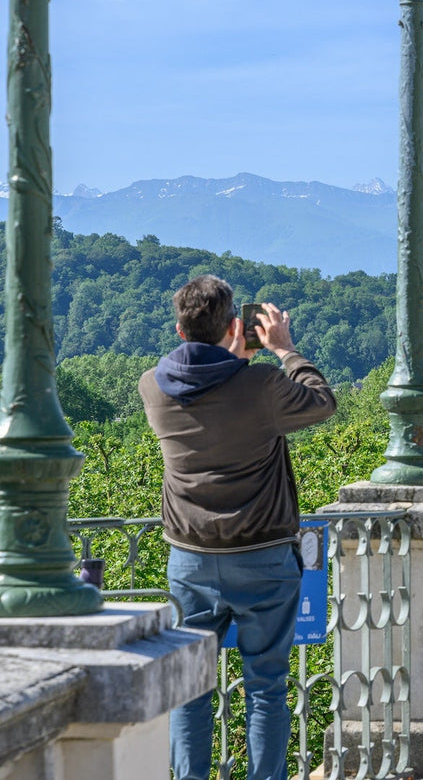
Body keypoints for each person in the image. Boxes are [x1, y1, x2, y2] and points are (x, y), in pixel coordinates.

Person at [140, 274, 336, 780]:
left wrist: (234, 361)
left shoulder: (152, 386)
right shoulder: (264, 385)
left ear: (180, 331)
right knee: (266, 685)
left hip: (190, 557)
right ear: (235, 325)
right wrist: (286, 351)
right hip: (264, 555)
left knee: (190, 687)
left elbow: (212, 395)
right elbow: (321, 402)